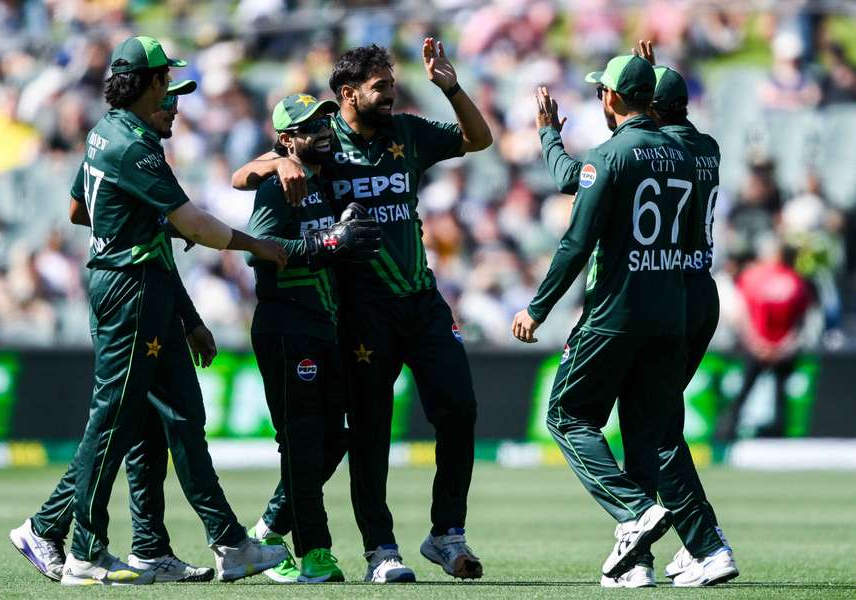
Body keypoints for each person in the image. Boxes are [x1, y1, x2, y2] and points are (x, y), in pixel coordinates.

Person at [12, 36, 288, 586]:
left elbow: (78, 209)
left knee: (178, 417)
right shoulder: (132, 147)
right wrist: (261, 246)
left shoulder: (107, 133)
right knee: (116, 417)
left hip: (146, 285)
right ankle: (65, 540)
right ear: (150, 83)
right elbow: (195, 226)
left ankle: (200, 545)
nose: (176, 100)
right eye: (168, 84)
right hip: (129, 287)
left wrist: (182, 308)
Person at [232, 39, 492, 582]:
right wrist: (278, 159)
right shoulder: (325, 148)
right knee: (370, 432)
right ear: (349, 94)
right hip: (360, 312)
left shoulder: (409, 133)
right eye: (382, 86)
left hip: (422, 300)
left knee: (461, 407)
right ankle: (381, 549)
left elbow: (479, 138)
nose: (392, 93)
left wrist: (450, 85)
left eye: (392, 84)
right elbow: (246, 175)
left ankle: (447, 533)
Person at [528, 41, 740, 587]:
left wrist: (551, 136)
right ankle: (656, 555)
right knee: (651, 427)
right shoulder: (702, 149)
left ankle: (659, 527)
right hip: (687, 297)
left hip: (642, 295)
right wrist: (651, 73)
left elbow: (582, 188)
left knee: (593, 419)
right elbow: (662, 144)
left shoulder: (625, 153)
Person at [245, 93, 380, 583]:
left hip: (322, 325)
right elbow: (258, 251)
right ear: (286, 140)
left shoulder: (322, 182)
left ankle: (265, 532)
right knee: (302, 442)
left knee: (333, 438)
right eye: (308, 127)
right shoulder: (280, 186)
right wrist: (326, 244)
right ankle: (314, 553)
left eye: (324, 120)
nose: (322, 130)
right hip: (286, 323)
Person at [716, 239, 812, 441]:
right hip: (780, 349)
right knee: (778, 396)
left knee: (745, 392)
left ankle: (726, 434)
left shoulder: (754, 276)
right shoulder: (797, 281)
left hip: (757, 347)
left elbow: (742, 314)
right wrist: (783, 346)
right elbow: (801, 321)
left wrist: (756, 343)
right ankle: (778, 437)